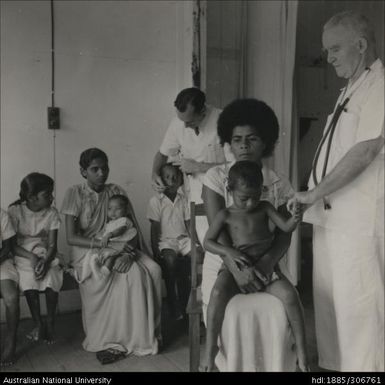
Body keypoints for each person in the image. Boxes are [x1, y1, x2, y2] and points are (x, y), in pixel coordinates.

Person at [288, 11, 384, 372]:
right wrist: (313, 196)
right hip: (332, 218)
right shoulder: (350, 89)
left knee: (360, 312)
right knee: (331, 308)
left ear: (360, 46)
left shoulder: (380, 86)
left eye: (334, 49)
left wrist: (313, 193)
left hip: (359, 222)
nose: (327, 58)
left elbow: (366, 150)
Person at [202, 98, 298, 371]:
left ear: (265, 142)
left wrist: (267, 264)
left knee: (280, 313)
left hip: (269, 262)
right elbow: (218, 232)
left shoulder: (279, 182)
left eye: (252, 139)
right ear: (228, 143)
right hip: (224, 264)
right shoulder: (216, 176)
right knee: (230, 315)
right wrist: (237, 268)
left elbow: (283, 234)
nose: (243, 145)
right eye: (236, 139)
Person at [61, 148, 162, 364]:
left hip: (122, 243)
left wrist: (130, 252)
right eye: (94, 169)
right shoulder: (74, 193)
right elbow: (71, 237)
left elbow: (130, 226)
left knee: (154, 269)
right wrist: (106, 245)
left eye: (104, 168)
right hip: (88, 248)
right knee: (131, 275)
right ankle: (121, 337)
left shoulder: (116, 190)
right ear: (83, 171)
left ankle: (148, 332)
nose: (101, 173)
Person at [151, 87, 227, 244]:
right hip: (196, 195)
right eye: (182, 121)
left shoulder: (224, 120)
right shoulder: (178, 124)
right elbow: (162, 154)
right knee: (206, 242)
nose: (185, 126)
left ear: (203, 110)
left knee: (224, 243)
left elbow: (237, 166)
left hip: (225, 193)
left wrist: (198, 167)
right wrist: (154, 174)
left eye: (190, 121)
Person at [8, 173, 63, 344]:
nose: (52, 198)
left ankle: (51, 322)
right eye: (47, 195)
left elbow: (53, 245)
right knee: (29, 280)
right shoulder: (15, 211)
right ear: (32, 197)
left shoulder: (52, 213)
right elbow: (11, 245)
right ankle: (38, 323)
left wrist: (45, 262)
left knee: (51, 279)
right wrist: (32, 258)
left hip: (46, 253)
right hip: (22, 254)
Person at [148, 163, 203, 321]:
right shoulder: (155, 201)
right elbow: (154, 229)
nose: (171, 181)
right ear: (160, 180)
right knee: (171, 262)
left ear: (180, 180)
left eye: (175, 177)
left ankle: (194, 301)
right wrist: (155, 252)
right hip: (167, 242)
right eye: (167, 177)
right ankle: (173, 302)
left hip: (183, 239)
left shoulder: (184, 199)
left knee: (198, 256)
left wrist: (196, 243)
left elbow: (188, 224)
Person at [97, 194, 139, 275]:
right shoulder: (110, 223)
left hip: (122, 246)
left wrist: (110, 234)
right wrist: (100, 236)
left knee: (111, 257)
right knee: (105, 256)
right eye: (110, 209)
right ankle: (103, 268)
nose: (113, 212)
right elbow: (103, 231)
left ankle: (106, 269)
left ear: (126, 211)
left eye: (117, 209)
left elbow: (121, 230)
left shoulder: (124, 220)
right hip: (113, 246)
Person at [0, 209, 18, 366]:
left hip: (2, 261)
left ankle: (11, 340)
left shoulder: (2, 215)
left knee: (11, 298)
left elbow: (7, 247)